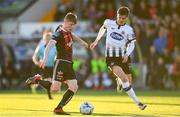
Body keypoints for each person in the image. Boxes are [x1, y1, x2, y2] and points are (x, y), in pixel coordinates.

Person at [26, 12, 88, 115]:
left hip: (69, 64)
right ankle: (37, 80)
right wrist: (45, 58)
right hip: (61, 63)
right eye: (71, 24)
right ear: (65, 21)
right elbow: (50, 44)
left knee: (74, 87)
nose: (72, 27)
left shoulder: (68, 32)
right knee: (55, 89)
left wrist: (82, 42)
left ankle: (59, 108)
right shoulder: (58, 33)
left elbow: (73, 36)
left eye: (73, 25)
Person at [90, 6, 147, 110]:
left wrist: (127, 54)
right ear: (117, 15)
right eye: (119, 17)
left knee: (128, 83)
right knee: (124, 79)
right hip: (111, 58)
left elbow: (132, 44)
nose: (121, 20)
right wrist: (97, 40)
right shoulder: (108, 23)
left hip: (123, 57)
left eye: (123, 18)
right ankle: (139, 103)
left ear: (127, 18)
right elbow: (102, 28)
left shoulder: (129, 30)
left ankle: (119, 81)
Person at [31, 31, 56, 99]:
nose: (48, 40)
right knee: (49, 81)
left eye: (49, 38)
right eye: (46, 39)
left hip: (53, 66)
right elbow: (34, 56)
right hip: (44, 66)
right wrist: (37, 62)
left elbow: (57, 55)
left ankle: (35, 84)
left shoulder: (54, 47)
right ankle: (49, 96)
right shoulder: (40, 47)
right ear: (44, 39)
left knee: (51, 82)